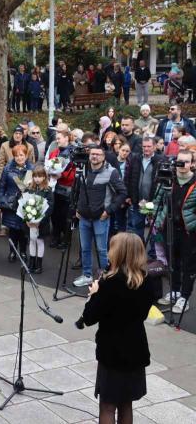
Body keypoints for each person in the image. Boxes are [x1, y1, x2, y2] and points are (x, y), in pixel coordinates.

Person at [80, 233, 155, 424]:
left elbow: (89, 318)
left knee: (107, 406)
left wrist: (94, 294)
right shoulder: (146, 282)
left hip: (112, 353)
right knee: (125, 403)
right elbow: (142, 314)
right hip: (135, 349)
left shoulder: (109, 284)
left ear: (119, 254)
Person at [73, 146, 128, 287]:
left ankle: (105, 277)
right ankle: (87, 275)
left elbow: (122, 193)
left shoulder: (111, 172)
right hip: (84, 217)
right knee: (85, 248)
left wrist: (108, 211)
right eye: (92, 154)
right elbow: (78, 190)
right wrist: (77, 208)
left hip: (100, 218)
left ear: (103, 157)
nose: (94, 156)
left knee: (102, 250)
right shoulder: (82, 169)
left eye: (98, 154)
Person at [156, 149, 196, 314]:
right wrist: (157, 219)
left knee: (188, 265)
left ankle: (184, 297)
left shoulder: (194, 182)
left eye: (186, 161)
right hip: (169, 228)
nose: (182, 164)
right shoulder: (168, 178)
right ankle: (174, 291)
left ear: (192, 164)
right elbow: (157, 200)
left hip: (189, 232)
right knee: (172, 262)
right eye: (180, 161)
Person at [0, 144, 32, 262]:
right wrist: (1, 201)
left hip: (26, 203)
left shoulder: (31, 169)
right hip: (11, 203)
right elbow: (2, 186)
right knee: (12, 230)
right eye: (16, 156)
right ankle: (12, 252)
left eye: (21, 155)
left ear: (26, 155)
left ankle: (23, 252)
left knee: (23, 230)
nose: (19, 158)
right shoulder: (7, 168)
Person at [25, 165, 53, 273]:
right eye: (35, 176)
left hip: (42, 222)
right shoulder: (30, 188)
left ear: (44, 177)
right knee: (31, 241)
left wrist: (40, 220)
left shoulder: (47, 190)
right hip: (30, 222)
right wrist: (27, 219)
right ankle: (31, 263)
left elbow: (50, 207)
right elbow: (24, 204)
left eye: (40, 176)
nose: (37, 179)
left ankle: (39, 264)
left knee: (40, 241)